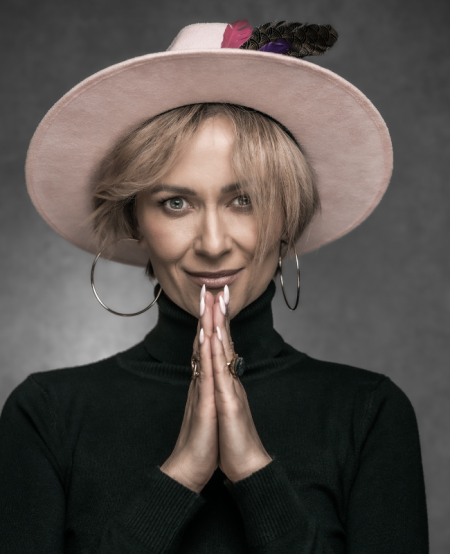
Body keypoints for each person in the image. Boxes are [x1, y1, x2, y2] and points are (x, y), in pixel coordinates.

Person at [0, 19, 429, 553]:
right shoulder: (46, 414)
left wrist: (254, 472)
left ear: (288, 218)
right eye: (175, 203)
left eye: (244, 200)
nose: (212, 242)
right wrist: (180, 476)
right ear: (135, 221)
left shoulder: (368, 413)